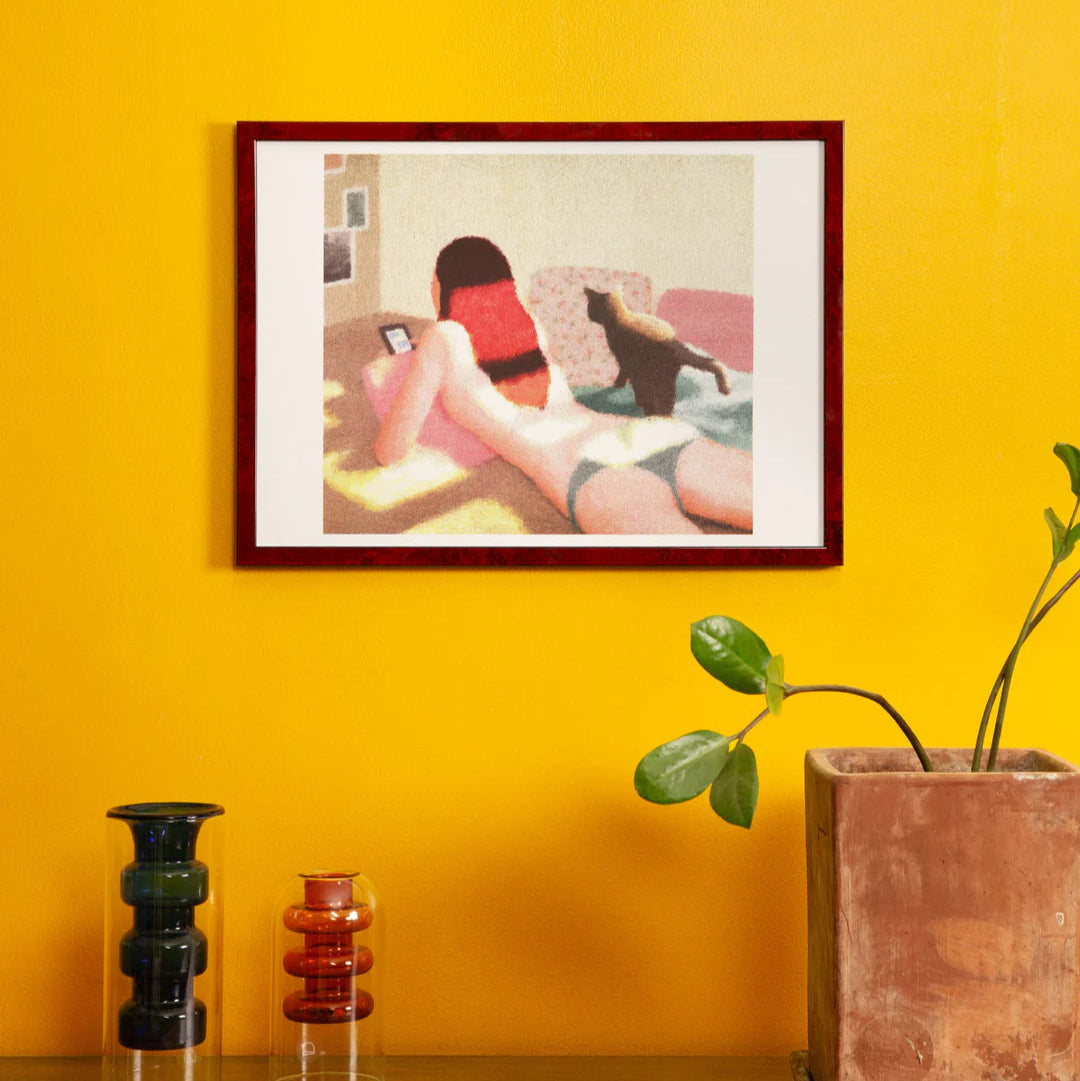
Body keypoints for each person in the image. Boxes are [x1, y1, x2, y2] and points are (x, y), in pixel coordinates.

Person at [374, 237, 752, 535]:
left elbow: (390, 450)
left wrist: (404, 364)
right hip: (643, 434)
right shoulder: (530, 323)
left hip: (589, 471)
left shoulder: (441, 338)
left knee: (695, 591)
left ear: (445, 288)